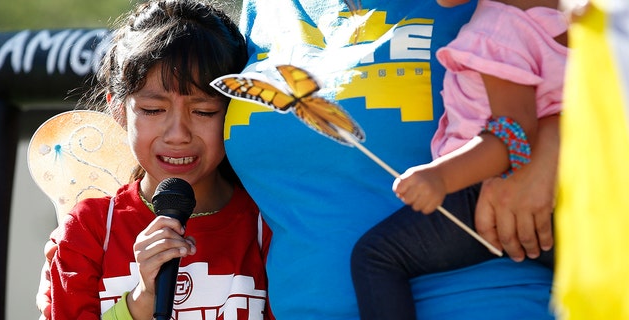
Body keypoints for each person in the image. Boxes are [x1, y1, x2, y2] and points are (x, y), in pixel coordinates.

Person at [222, 0, 559, 319]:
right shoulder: (261, 11)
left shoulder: (482, 7)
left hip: (490, 301)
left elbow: (601, 86)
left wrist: (551, 142)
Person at [42, 0, 271, 319]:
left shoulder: (269, 226)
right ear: (118, 109)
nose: (178, 134)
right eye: (153, 110)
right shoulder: (89, 231)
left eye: (204, 111)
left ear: (236, 111)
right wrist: (141, 301)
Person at [349, 0, 566, 318]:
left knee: (376, 256)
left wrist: (440, 177)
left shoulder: (497, 30)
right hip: (568, 199)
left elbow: (514, 136)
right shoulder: (578, 23)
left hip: (479, 193)